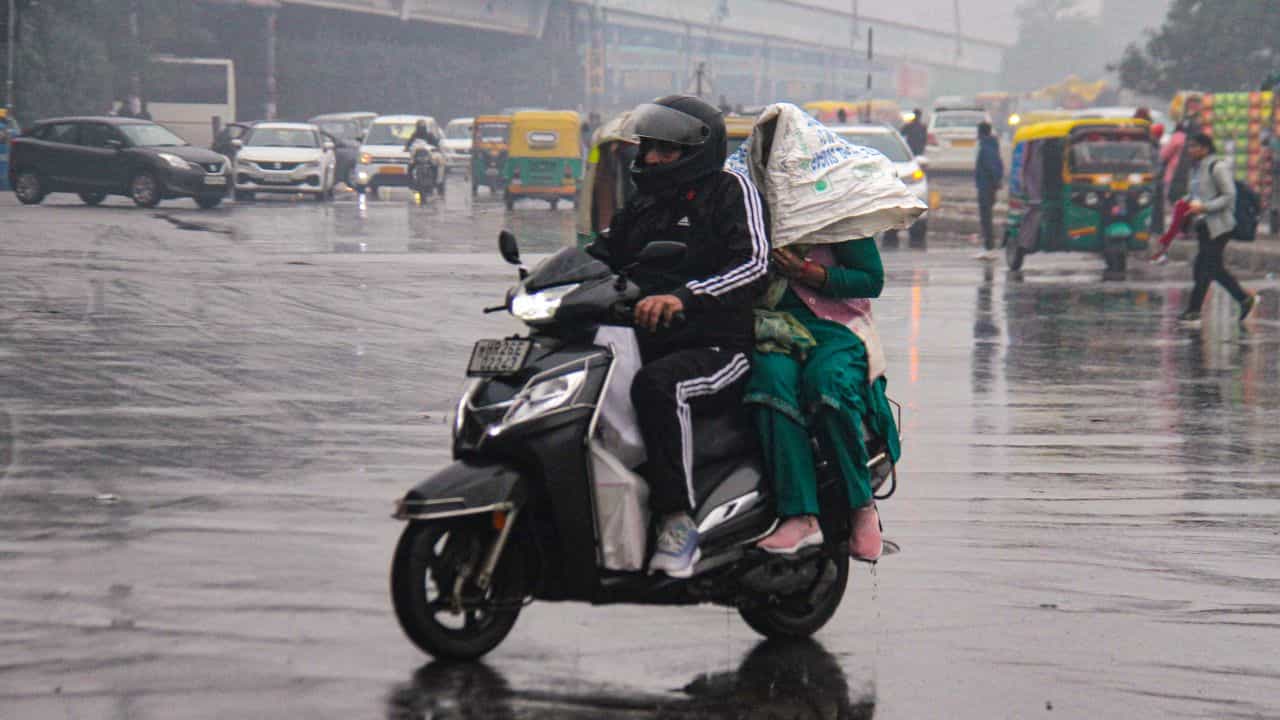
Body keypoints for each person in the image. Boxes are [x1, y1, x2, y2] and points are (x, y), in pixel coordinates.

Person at [590, 95, 769, 577]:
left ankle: (677, 521)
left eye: (664, 152)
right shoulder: (645, 203)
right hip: (643, 338)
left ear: (696, 152)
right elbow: (602, 252)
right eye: (648, 148)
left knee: (658, 385)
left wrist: (685, 298)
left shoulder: (730, 191)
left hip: (718, 346)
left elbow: (754, 264)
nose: (650, 160)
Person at [747, 237, 900, 561]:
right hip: (772, 328)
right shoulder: (749, 201)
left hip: (836, 328)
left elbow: (871, 279)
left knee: (825, 386)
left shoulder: (833, 203)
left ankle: (860, 507)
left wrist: (806, 271)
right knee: (770, 384)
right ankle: (800, 515)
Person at [1178, 133, 1259, 324]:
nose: (1191, 150)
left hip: (1220, 225)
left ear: (1205, 148)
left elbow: (1229, 195)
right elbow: (1195, 193)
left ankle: (1196, 309)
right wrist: (1184, 203)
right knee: (1206, 266)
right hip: (1203, 224)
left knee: (1207, 266)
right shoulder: (1197, 169)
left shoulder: (1218, 166)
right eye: (1190, 147)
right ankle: (1240, 299)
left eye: (1194, 147)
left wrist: (1204, 207)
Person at [975, 121, 1004, 258]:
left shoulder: (986, 148)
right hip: (988, 186)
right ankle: (989, 245)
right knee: (987, 216)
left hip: (986, 187)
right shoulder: (991, 145)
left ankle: (989, 246)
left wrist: (994, 182)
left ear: (981, 133)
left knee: (986, 217)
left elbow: (991, 167)